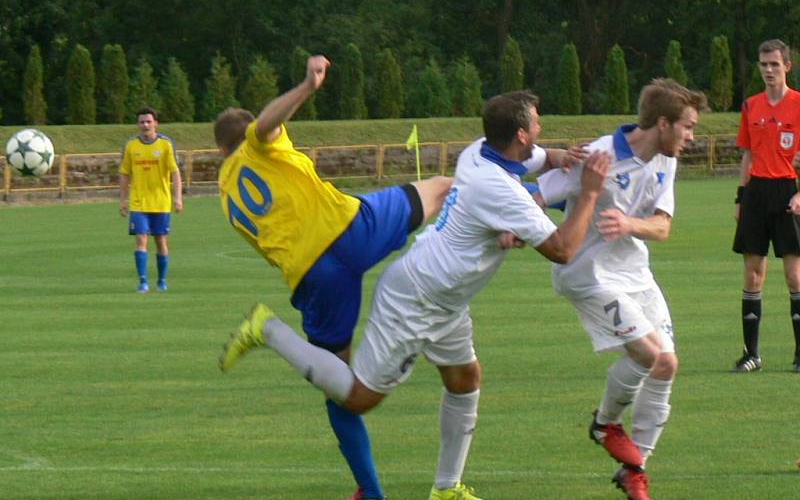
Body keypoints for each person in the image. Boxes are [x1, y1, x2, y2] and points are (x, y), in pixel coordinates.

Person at [218, 89, 611, 500]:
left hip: (446, 297)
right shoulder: (501, 187)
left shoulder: (480, 151)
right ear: (521, 134)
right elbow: (563, 250)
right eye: (536, 123)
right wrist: (588, 192)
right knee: (358, 398)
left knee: (464, 379)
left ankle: (446, 489)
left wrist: (557, 158)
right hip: (417, 298)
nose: (540, 127)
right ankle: (271, 330)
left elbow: (533, 159)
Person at [213, 54, 452, 500]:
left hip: (313, 279)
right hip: (348, 232)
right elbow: (265, 125)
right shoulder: (257, 143)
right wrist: (306, 86)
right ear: (239, 138)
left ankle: (371, 491)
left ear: (217, 151)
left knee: (340, 388)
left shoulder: (226, 197)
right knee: (443, 187)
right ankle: (524, 212)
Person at [534, 78, 708, 500]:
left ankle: (635, 471)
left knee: (666, 363)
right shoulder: (601, 155)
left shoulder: (666, 160)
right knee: (647, 354)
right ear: (663, 124)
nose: (692, 137)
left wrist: (630, 224)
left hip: (635, 273)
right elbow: (539, 194)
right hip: (588, 274)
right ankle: (605, 423)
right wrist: (503, 226)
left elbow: (662, 226)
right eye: (687, 127)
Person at [732, 39, 800, 373]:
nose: (769, 70)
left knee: (794, 276)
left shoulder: (799, 105)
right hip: (757, 193)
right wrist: (741, 198)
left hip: (789, 192)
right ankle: (751, 355)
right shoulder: (751, 106)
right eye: (763, 64)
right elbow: (747, 154)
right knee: (753, 274)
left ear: (787, 66)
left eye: (775, 64)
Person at [119, 107, 183, 293]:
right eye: (142, 122)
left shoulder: (165, 144)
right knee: (141, 239)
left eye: (149, 121)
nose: (145, 125)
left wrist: (178, 197)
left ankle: (162, 281)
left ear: (156, 123)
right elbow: (124, 174)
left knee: (160, 241)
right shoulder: (131, 146)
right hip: (139, 202)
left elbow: (175, 172)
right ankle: (143, 282)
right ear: (138, 125)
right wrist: (123, 200)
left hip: (161, 201)